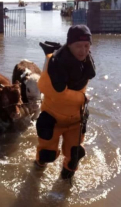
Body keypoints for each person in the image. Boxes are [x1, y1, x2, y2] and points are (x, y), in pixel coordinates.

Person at [35, 25, 96, 179]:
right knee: (46, 153)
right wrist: (82, 98)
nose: (83, 50)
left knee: (75, 154)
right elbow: (56, 93)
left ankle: (65, 184)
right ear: (69, 45)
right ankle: (37, 170)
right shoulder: (54, 63)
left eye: (86, 46)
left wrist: (82, 101)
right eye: (78, 46)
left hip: (76, 119)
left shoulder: (86, 62)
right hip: (53, 119)